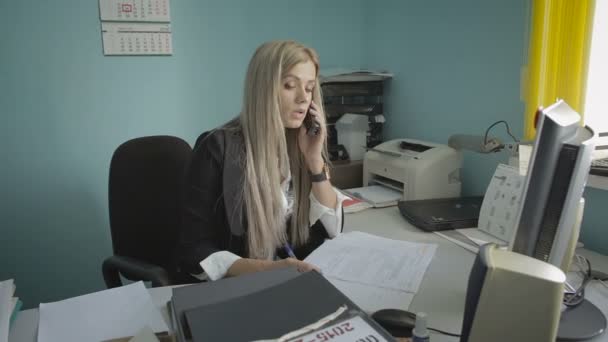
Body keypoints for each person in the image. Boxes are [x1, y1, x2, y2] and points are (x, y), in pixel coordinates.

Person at [175, 40, 347, 281]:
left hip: (286, 282)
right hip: (234, 287)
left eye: (309, 89)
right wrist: (270, 269)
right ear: (263, 89)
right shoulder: (217, 148)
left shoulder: (299, 145)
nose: (302, 98)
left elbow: (331, 231)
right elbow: (194, 251)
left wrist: (314, 161)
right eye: (290, 85)